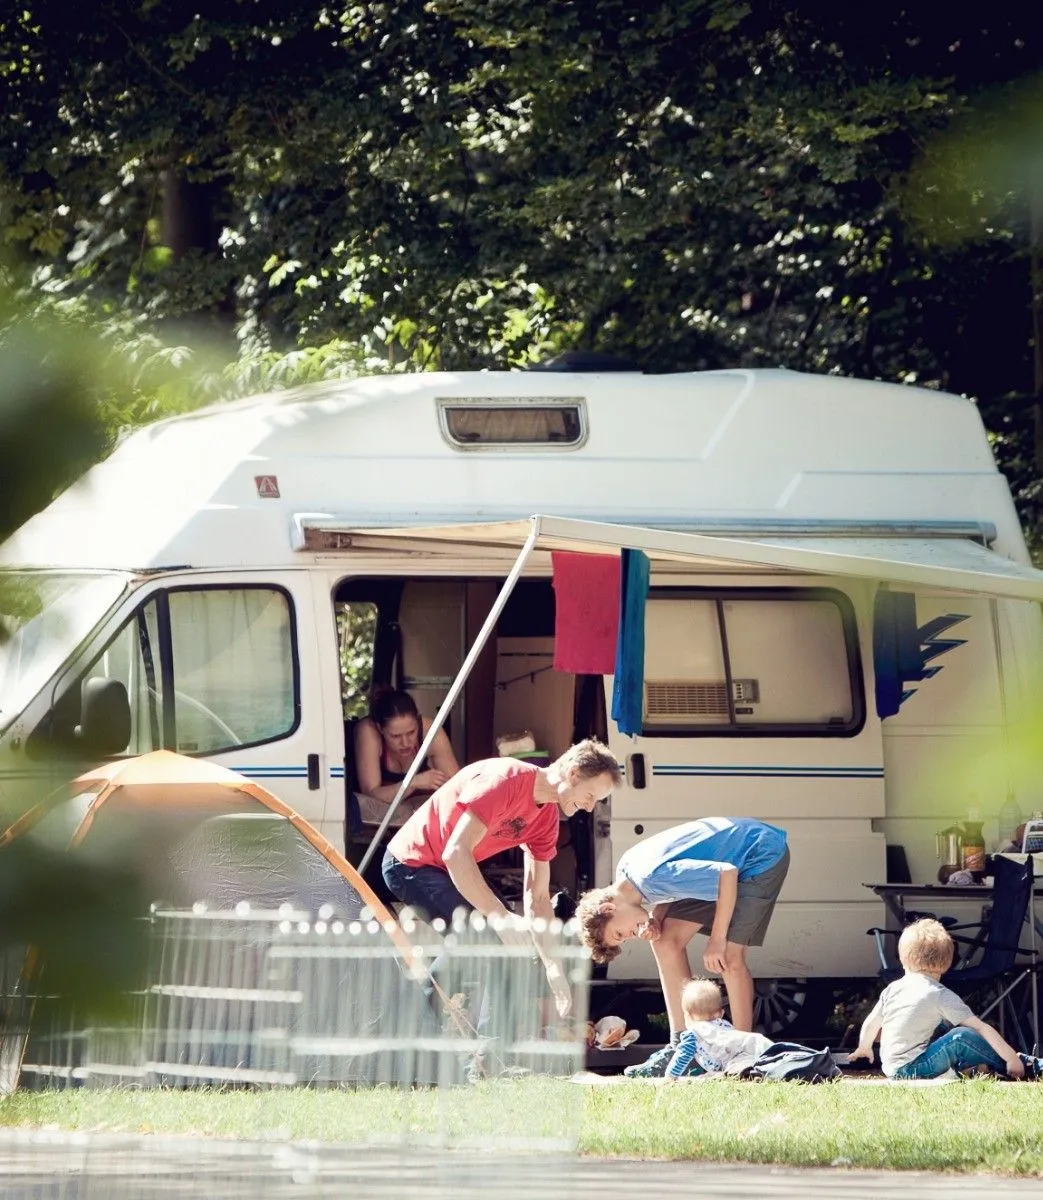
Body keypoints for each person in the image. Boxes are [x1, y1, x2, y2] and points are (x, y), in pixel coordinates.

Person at [382, 738, 621, 1017]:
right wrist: (500, 917)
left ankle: (486, 1047)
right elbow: (456, 853)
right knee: (490, 934)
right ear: (574, 773)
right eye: (591, 796)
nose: (590, 808)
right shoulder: (504, 780)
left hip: (446, 870)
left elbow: (539, 897)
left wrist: (553, 967)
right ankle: (418, 1022)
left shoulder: (546, 821)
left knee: (506, 941)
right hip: (409, 863)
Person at [575, 815, 789, 1076]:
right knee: (664, 939)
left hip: (759, 854)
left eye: (620, 933)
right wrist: (656, 917)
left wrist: (717, 939)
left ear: (609, 907)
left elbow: (727, 874)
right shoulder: (628, 875)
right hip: (730, 865)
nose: (631, 935)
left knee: (729, 957)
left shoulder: (649, 876)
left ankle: (742, 1054)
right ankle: (682, 1046)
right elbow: (676, 885)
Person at [849, 917, 1043, 1081]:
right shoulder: (939, 994)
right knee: (960, 1036)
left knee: (942, 1025)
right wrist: (1010, 1057)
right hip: (912, 1069)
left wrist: (864, 1048)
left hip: (891, 1068)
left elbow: (872, 1023)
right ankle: (1024, 1065)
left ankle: (972, 1067)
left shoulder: (892, 989)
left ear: (902, 958)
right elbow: (980, 1028)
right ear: (947, 963)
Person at [662, 978, 837, 1082]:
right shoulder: (722, 1025)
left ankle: (807, 1066)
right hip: (754, 1042)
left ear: (688, 1015)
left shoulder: (694, 1033)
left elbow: (682, 1055)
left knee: (751, 1069)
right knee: (780, 1058)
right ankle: (816, 1062)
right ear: (720, 1013)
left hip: (741, 1055)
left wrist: (671, 1076)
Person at [353, 686, 460, 824]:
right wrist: (413, 782)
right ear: (380, 729)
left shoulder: (430, 731)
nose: (405, 742)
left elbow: (458, 785)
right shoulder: (368, 731)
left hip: (419, 814)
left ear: (418, 720)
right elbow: (371, 794)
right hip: (381, 817)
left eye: (411, 732)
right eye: (395, 736)